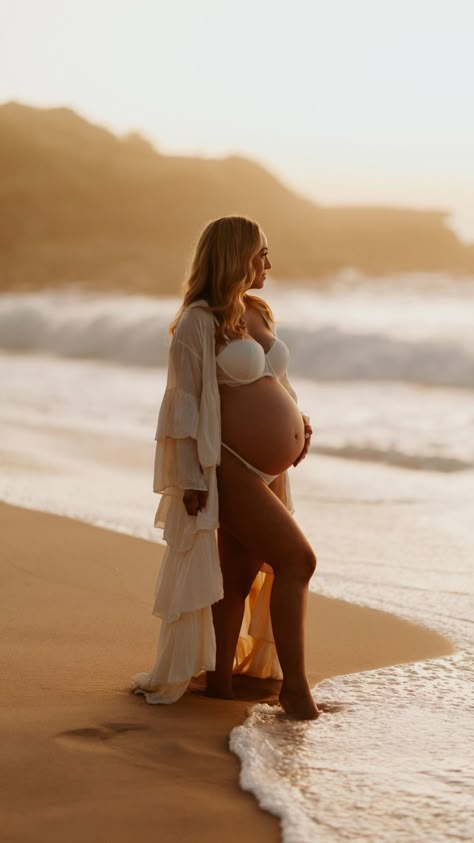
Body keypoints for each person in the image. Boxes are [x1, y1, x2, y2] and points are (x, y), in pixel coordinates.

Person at [132, 215, 319, 719]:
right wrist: (189, 478)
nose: (268, 264)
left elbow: (275, 379)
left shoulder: (256, 311)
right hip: (227, 465)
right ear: (235, 256)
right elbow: (184, 404)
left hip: (269, 470)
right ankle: (296, 691)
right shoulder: (198, 321)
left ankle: (220, 682)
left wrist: (298, 422)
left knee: (238, 575)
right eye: (261, 254)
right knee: (298, 561)